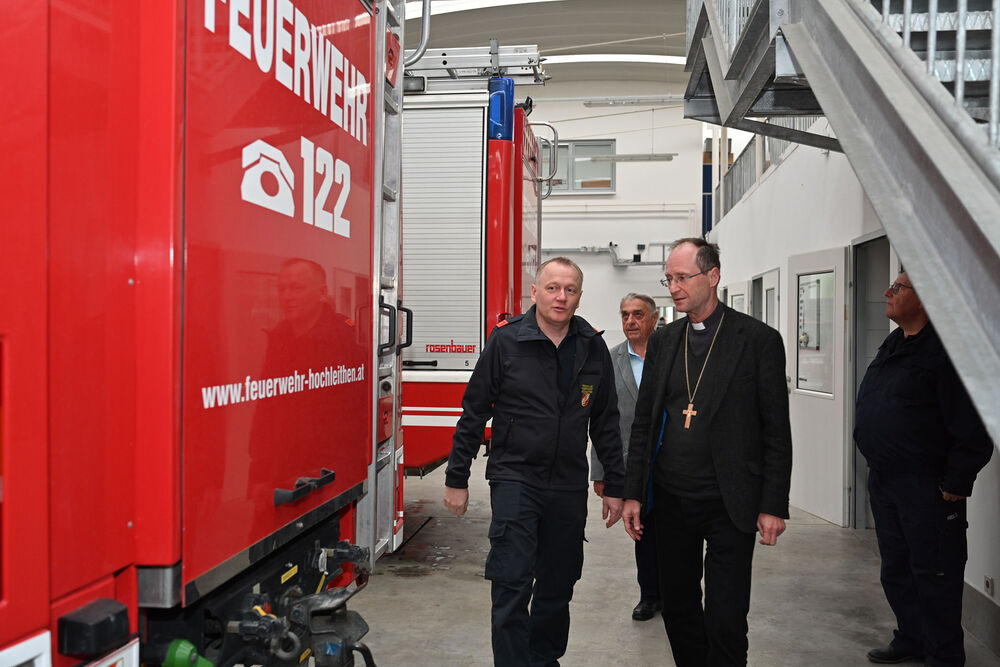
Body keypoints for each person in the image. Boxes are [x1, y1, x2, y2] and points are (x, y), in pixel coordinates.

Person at [443, 257, 625, 667]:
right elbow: (474, 411)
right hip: (515, 478)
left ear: (579, 296)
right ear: (535, 292)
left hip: (567, 486)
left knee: (558, 586)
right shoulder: (506, 341)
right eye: (552, 288)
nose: (561, 297)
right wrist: (457, 477)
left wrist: (615, 483)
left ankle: (543, 660)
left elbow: (606, 421)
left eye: (570, 290)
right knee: (511, 582)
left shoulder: (591, 345)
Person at [622, 237, 792, 667]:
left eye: (682, 277)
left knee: (726, 616)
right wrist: (634, 493)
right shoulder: (664, 340)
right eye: (669, 279)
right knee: (678, 607)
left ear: (712, 276)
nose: (674, 287)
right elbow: (644, 424)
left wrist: (773, 503)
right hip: (672, 500)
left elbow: (776, 429)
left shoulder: (757, 340)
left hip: (729, 501)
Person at [855, 271, 993, 666]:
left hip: (928, 485)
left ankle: (943, 655)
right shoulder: (895, 343)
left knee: (935, 573)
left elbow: (975, 423)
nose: (887, 292)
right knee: (896, 569)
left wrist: (958, 480)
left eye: (898, 288)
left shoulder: (948, 354)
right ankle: (911, 638)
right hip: (886, 479)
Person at [590, 292, 662, 621]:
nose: (630, 321)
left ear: (654, 319)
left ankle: (679, 596)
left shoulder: (671, 355)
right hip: (631, 466)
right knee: (642, 532)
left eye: (638, 314)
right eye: (625, 315)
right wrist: (601, 473)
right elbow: (601, 420)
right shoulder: (610, 360)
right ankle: (650, 596)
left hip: (673, 462)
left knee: (677, 534)